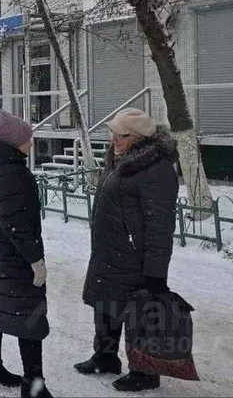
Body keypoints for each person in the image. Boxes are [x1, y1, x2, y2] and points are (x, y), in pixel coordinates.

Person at [75, 108, 179, 393]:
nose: (114, 140)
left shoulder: (155, 169)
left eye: (121, 136)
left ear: (138, 138)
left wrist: (156, 272)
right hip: (110, 250)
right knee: (105, 306)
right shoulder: (120, 159)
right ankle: (105, 357)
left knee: (139, 312)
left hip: (135, 256)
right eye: (112, 134)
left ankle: (145, 371)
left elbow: (160, 226)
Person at [0, 110, 52, 398]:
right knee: (28, 313)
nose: (31, 142)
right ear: (15, 141)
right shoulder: (10, 172)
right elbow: (16, 224)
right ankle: (34, 384)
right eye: (27, 138)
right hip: (13, 257)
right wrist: (35, 260)